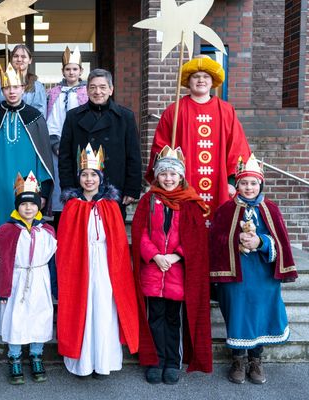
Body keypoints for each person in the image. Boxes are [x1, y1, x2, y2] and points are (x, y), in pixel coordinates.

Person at [210, 154, 298, 385]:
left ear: (260, 184)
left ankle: (256, 361)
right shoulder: (225, 210)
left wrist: (261, 242)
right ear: (236, 185)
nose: (249, 187)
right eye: (244, 183)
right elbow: (215, 239)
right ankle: (238, 360)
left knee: (260, 316)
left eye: (253, 183)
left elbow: (281, 243)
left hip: (263, 274)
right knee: (238, 314)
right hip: (236, 274)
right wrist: (234, 240)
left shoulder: (271, 209)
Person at [131, 146, 212, 385]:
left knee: (173, 319)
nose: (168, 178)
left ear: (181, 176)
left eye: (173, 174)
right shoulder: (149, 200)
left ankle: (171, 363)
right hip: (153, 270)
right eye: (164, 174)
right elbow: (140, 233)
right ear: (157, 175)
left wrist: (176, 256)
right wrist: (155, 256)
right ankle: (155, 361)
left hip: (177, 272)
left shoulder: (190, 202)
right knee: (154, 316)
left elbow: (195, 238)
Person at [56, 144, 139, 377]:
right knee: (81, 307)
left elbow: (119, 243)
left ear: (101, 178)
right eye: (85, 175)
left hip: (105, 265)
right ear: (79, 178)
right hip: (79, 266)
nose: (89, 179)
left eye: (93, 175)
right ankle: (83, 361)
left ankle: (103, 360)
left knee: (104, 308)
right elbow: (65, 245)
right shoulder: (71, 206)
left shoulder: (111, 206)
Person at [145, 55, 251, 216]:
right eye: (196, 76)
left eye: (205, 76)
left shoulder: (226, 110)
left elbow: (237, 147)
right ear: (188, 80)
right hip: (184, 182)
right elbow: (161, 147)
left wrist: (231, 181)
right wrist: (167, 178)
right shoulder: (174, 111)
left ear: (212, 80)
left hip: (219, 183)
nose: (201, 80)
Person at [0, 172, 57, 385]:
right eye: (23, 204)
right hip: (16, 280)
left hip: (39, 279)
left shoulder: (47, 231)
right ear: (17, 206)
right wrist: (1, 289)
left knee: (39, 316)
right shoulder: (5, 231)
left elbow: (53, 260)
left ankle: (37, 355)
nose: (28, 208)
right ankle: (15, 357)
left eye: (32, 204)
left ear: (39, 206)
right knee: (15, 319)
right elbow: (0, 262)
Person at [0, 63, 54, 240]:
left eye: (16, 87)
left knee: (28, 234)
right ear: (2, 90)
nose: (12, 91)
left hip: (30, 187)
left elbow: (43, 158)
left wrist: (43, 193)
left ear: (23, 88)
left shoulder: (35, 117)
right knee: (0, 231)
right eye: (7, 88)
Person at [58, 68, 142, 219]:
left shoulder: (125, 117)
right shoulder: (73, 117)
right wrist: (68, 189)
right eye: (93, 87)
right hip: (82, 190)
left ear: (111, 90)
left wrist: (132, 189)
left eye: (103, 87)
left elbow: (133, 155)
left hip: (115, 187)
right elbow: (65, 157)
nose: (98, 92)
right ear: (87, 90)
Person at [46, 46, 88, 227]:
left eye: (75, 69)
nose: (71, 72)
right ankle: (59, 219)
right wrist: (55, 142)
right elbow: (51, 118)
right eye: (68, 69)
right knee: (59, 182)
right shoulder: (54, 93)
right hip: (58, 143)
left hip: (82, 145)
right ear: (63, 71)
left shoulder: (87, 91)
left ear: (81, 71)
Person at [0, 44, 47, 117]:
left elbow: (40, 112)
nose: (19, 59)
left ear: (30, 60)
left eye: (23, 57)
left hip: (28, 126)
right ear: (11, 60)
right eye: (16, 56)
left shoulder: (37, 87)